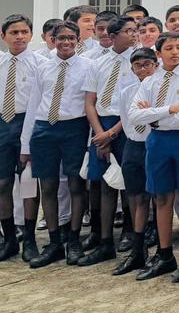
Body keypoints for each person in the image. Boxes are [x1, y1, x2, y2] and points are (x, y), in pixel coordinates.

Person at [130, 31, 179, 282]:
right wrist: (168, 110)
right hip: (158, 141)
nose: (175, 52)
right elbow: (134, 115)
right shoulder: (150, 82)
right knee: (162, 197)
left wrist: (154, 115)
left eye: (178, 47)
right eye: (169, 48)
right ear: (158, 53)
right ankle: (165, 254)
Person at [22, 23, 94, 267]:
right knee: (48, 186)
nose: (66, 42)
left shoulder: (88, 66)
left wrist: (89, 140)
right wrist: (25, 144)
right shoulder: (43, 66)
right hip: (44, 129)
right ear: (52, 39)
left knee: (76, 185)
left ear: (78, 40)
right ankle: (54, 242)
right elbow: (33, 104)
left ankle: (73, 239)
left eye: (71, 38)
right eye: (61, 38)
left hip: (74, 128)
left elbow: (90, 103)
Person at [80, 15, 140, 267]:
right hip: (101, 125)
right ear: (113, 36)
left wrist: (113, 133)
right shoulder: (98, 63)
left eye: (136, 30)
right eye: (129, 31)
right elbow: (89, 102)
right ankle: (105, 241)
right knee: (104, 184)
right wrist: (100, 134)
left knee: (129, 183)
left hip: (127, 125)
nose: (134, 34)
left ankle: (131, 233)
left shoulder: (139, 61)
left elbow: (137, 102)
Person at [112, 46, 157, 275]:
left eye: (147, 64)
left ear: (156, 65)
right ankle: (138, 250)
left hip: (154, 144)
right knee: (135, 197)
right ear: (132, 69)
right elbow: (126, 119)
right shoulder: (126, 92)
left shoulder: (160, 89)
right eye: (137, 66)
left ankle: (161, 247)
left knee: (157, 197)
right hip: (133, 145)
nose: (143, 69)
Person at [0, 14, 40, 262]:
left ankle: (30, 239)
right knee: (3, 183)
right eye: (14, 32)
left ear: (31, 35)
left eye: (24, 32)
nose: (20, 37)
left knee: (28, 183)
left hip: (28, 122)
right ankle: (9, 239)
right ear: (3, 36)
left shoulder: (40, 63)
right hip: (2, 124)